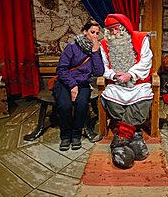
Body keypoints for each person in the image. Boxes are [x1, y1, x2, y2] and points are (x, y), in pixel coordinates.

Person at [100, 13, 153, 169]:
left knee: (143, 98)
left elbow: (146, 61)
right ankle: (134, 134)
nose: (115, 34)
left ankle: (120, 139)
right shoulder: (104, 44)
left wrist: (131, 74)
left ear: (123, 28)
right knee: (111, 99)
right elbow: (103, 66)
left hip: (137, 82)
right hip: (116, 84)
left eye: (117, 29)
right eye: (111, 31)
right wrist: (113, 75)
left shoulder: (140, 38)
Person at [54, 20, 105, 151]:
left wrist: (95, 52)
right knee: (64, 105)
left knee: (81, 105)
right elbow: (61, 69)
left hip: (83, 84)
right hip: (66, 82)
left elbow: (98, 72)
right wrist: (72, 85)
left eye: (97, 33)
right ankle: (65, 136)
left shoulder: (96, 49)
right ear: (85, 32)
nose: (94, 36)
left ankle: (76, 135)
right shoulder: (72, 47)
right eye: (92, 32)